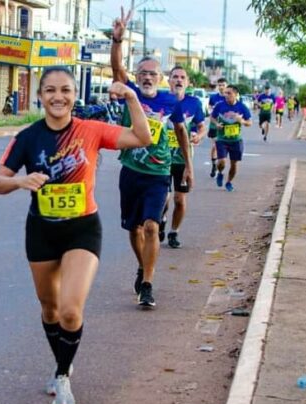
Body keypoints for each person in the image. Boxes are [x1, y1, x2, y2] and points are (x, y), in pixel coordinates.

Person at [0, 66, 151, 404]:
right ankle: (61, 362)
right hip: (42, 230)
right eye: (50, 90)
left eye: (65, 90)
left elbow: (143, 137)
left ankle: (63, 376)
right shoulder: (28, 137)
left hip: (82, 228)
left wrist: (132, 98)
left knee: (70, 309)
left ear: (75, 95)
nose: (58, 97)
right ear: (40, 96)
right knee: (49, 308)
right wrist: (19, 182)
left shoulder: (89, 130)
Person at [111, 6, 192, 308]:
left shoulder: (170, 101)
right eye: (143, 73)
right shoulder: (129, 91)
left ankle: (147, 283)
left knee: (151, 226)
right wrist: (117, 40)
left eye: (152, 74)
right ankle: (141, 264)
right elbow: (116, 68)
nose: (147, 77)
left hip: (159, 173)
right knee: (134, 229)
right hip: (131, 170)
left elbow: (181, 132)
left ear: (161, 78)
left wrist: (188, 166)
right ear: (137, 76)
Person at [162, 66, 206, 249]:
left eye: (182, 77)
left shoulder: (194, 103)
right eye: (175, 77)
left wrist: (199, 136)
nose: (178, 80)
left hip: (182, 159)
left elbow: (202, 126)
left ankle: (174, 232)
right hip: (161, 158)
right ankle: (162, 219)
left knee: (179, 200)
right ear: (169, 81)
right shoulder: (161, 99)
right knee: (163, 199)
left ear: (187, 82)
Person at [211, 85, 253, 192]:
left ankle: (229, 182)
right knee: (222, 162)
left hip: (236, 140)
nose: (226, 95)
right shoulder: (220, 106)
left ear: (235, 94)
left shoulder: (242, 107)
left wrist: (242, 121)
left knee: (234, 164)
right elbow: (212, 117)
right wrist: (216, 124)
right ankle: (220, 173)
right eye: (225, 93)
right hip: (222, 139)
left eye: (229, 93)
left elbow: (249, 123)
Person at [207, 78, 228, 177]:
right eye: (219, 85)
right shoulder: (213, 98)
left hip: (226, 126)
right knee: (215, 145)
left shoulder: (229, 98)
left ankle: (221, 164)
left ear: (226, 86)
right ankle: (214, 165)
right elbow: (209, 109)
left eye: (223, 85)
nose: (221, 87)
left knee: (224, 147)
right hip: (214, 125)